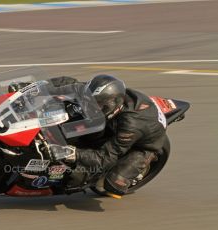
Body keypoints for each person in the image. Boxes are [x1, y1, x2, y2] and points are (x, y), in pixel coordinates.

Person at [9, 75, 170, 196]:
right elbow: (67, 83)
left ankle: (120, 172)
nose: (91, 105)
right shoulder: (98, 94)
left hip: (145, 144)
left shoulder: (131, 126)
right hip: (115, 124)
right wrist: (28, 88)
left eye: (97, 104)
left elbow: (105, 157)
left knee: (111, 185)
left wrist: (72, 153)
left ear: (113, 106)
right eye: (91, 100)